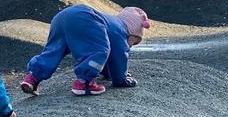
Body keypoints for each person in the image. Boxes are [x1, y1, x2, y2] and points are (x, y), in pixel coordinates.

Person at [20, 5, 149, 96]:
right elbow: (119, 57)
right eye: (134, 42)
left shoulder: (111, 23)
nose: (130, 46)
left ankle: (32, 78)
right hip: (84, 17)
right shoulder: (121, 30)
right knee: (99, 50)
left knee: (53, 51)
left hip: (61, 18)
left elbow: (110, 59)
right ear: (132, 33)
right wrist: (121, 79)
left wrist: (108, 74)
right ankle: (84, 83)